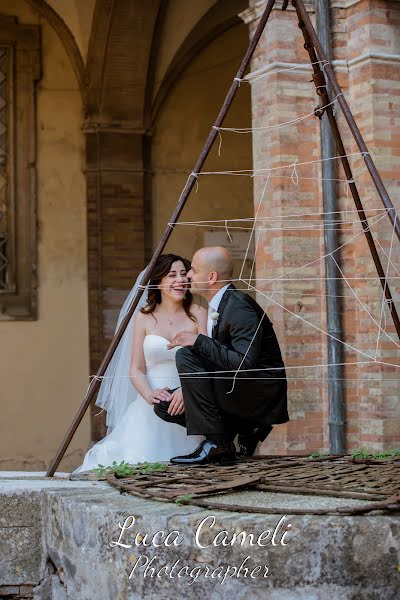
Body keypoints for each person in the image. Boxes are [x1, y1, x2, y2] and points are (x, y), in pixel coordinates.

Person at [154, 246, 288, 466]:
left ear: (211, 277)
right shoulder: (222, 305)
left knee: (187, 354)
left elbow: (244, 365)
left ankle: (217, 443)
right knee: (165, 405)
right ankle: (238, 433)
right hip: (235, 386)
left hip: (258, 393)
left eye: (193, 271)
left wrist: (198, 341)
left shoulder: (239, 307)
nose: (188, 275)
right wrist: (186, 387)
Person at [74, 254, 207, 473]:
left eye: (184, 274)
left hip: (189, 401)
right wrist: (148, 394)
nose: (180, 280)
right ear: (158, 282)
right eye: (172, 275)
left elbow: (208, 361)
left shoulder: (199, 314)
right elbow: (136, 368)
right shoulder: (143, 318)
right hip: (151, 404)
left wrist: (188, 389)